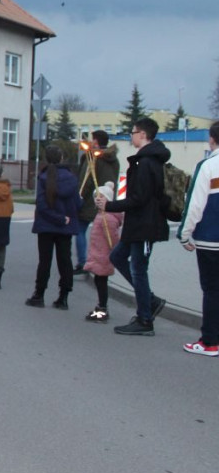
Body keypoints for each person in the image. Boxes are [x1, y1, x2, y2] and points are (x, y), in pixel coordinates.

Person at [96, 117, 171, 336]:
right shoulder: (145, 160)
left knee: (139, 270)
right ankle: (150, 300)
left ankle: (145, 319)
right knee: (117, 257)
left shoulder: (147, 162)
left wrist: (109, 205)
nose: (131, 135)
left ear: (143, 135)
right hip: (137, 224)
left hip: (146, 225)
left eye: (133, 131)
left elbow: (139, 198)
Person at [177, 121, 219, 355]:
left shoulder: (208, 165)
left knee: (212, 290)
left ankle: (210, 342)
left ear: (212, 139)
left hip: (211, 240)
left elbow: (195, 205)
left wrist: (184, 235)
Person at [25, 145, 81, 309]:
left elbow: (42, 205)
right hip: (66, 225)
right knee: (65, 261)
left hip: (47, 225)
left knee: (45, 261)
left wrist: (56, 218)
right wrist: (65, 218)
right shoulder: (71, 178)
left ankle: (39, 294)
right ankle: (63, 297)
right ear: (62, 158)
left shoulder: (44, 177)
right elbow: (77, 204)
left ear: (46, 159)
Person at [74, 130, 120, 274]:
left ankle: (83, 262)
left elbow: (85, 181)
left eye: (92, 139)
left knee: (80, 230)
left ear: (96, 142)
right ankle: (105, 259)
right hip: (106, 199)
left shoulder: (94, 158)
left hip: (89, 201)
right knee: (103, 231)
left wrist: (79, 197)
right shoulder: (113, 159)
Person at [83, 182, 123, 323]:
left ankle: (102, 310)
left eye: (100, 197)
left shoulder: (107, 218)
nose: (96, 200)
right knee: (99, 282)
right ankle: (100, 307)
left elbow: (113, 239)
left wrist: (114, 250)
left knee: (101, 282)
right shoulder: (102, 215)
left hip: (103, 256)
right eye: (95, 197)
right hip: (98, 254)